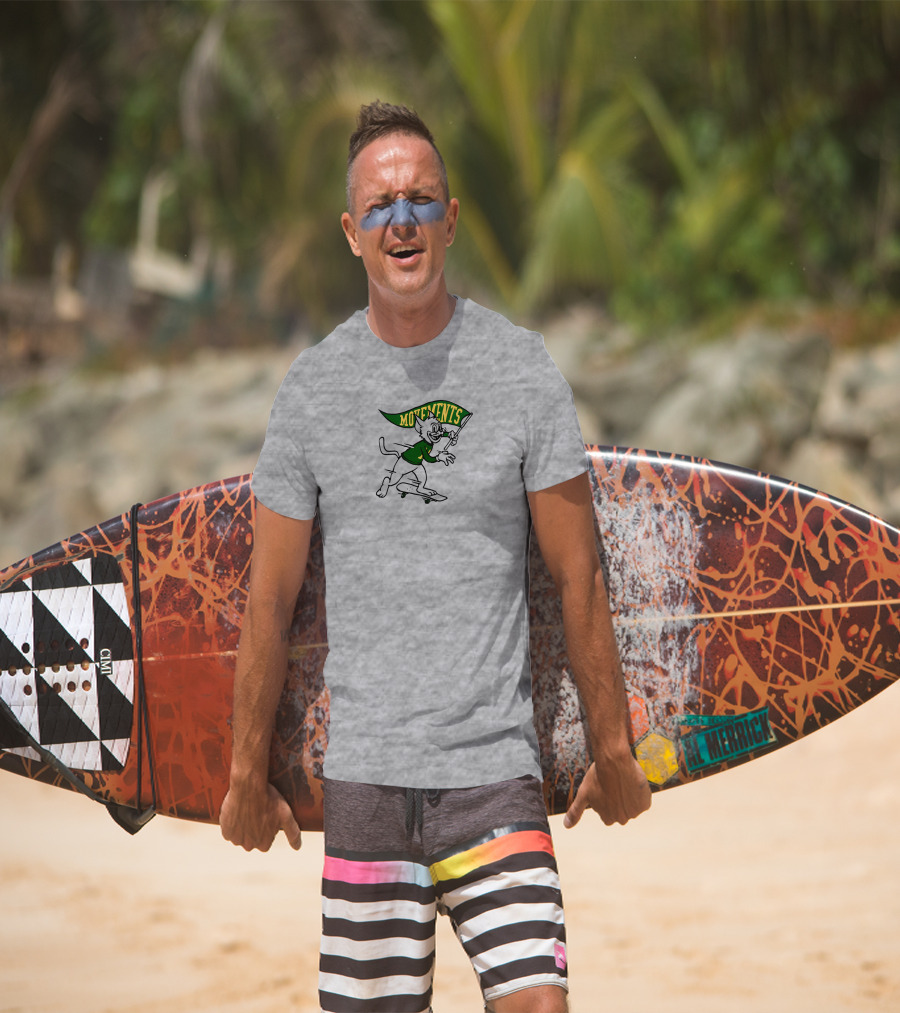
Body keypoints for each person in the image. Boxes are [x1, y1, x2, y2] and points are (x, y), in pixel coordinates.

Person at [220, 100, 651, 1013]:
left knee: (540, 1004)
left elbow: (578, 574)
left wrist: (612, 745)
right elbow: (270, 599)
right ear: (351, 233)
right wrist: (244, 772)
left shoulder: (521, 369)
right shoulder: (313, 389)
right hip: (367, 783)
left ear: (450, 220)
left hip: (495, 776)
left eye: (420, 200)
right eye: (380, 206)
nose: (402, 220)